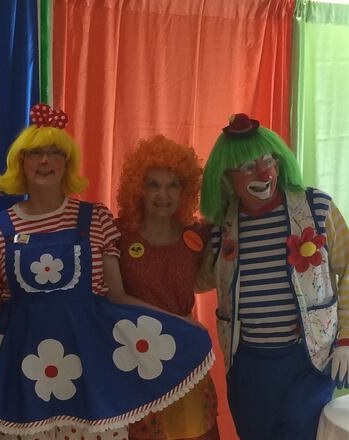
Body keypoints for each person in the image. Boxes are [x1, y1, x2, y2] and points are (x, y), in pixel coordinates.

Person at [0, 104, 215, 439]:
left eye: (54, 152)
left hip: (89, 365)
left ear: (67, 163)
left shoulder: (96, 219)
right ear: (21, 162)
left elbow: (116, 296)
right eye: (35, 153)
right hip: (22, 367)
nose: (44, 161)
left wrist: (178, 323)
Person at [199, 114, 349, 440]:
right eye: (248, 167)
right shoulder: (223, 228)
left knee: (301, 432)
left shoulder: (316, 207)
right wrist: (178, 239)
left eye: (267, 161)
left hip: (309, 359)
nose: (264, 173)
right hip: (249, 364)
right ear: (226, 178)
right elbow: (199, 280)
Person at [115, 135, 218, 440]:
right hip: (132, 356)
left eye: (173, 185)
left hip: (185, 357)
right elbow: (111, 298)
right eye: (153, 184)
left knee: (192, 430)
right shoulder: (118, 235)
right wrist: (177, 321)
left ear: (185, 190)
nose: (164, 194)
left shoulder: (198, 235)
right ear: (138, 189)